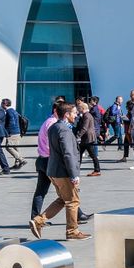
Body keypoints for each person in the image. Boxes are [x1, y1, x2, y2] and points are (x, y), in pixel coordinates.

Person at [29, 102, 91, 241]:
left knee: (63, 199)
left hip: (53, 170)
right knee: (73, 201)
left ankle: (38, 221)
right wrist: (74, 175)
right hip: (63, 172)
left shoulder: (54, 127)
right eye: (74, 113)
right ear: (67, 114)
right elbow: (68, 153)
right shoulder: (64, 129)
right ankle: (72, 231)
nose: (77, 115)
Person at [75, 100, 102, 176]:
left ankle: (97, 170)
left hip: (87, 138)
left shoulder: (86, 115)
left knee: (91, 155)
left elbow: (84, 128)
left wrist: (78, 136)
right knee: (81, 154)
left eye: (79, 108)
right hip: (87, 138)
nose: (78, 109)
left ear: (82, 108)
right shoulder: (86, 115)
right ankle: (76, 170)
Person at [1, 98, 28, 170]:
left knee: (8, 147)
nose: (1, 104)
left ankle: (22, 160)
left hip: (12, 132)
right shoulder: (14, 111)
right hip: (17, 132)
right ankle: (17, 164)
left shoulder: (9, 112)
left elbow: (11, 123)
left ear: (5, 104)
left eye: (2, 103)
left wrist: (7, 132)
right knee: (15, 148)